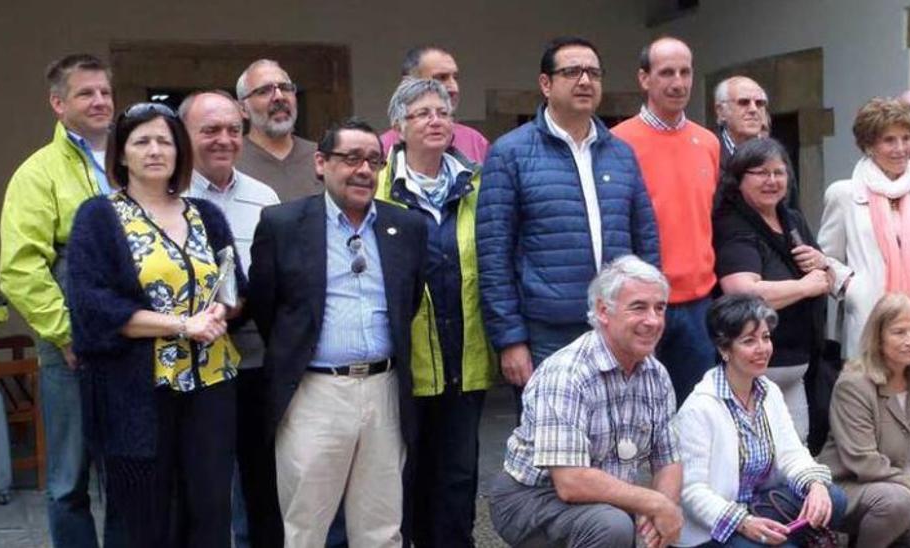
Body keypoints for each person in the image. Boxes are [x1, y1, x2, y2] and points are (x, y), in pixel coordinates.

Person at [66, 102, 244, 547]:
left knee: (210, 508)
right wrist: (182, 325)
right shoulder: (99, 217)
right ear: (121, 154)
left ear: (179, 152)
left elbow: (232, 285)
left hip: (211, 387)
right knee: (145, 517)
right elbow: (93, 307)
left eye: (164, 141)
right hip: (139, 393)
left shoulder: (206, 215)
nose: (154, 150)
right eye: (141, 141)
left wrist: (223, 310)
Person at [248, 118, 427, 547]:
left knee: (381, 527)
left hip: (384, 390)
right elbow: (267, 307)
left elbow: (410, 302)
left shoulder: (407, 228)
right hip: (315, 393)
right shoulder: (282, 224)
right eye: (350, 159)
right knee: (306, 525)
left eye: (373, 160)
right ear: (321, 163)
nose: (363, 170)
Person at [477, 36, 660, 392]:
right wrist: (510, 339)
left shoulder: (621, 154)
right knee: (551, 441)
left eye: (593, 72)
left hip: (618, 325)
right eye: (572, 71)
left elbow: (646, 239)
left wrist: (649, 312)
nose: (585, 81)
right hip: (548, 330)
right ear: (546, 84)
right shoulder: (510, 153)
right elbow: (493, 254)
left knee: (619, 439)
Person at [0, 53, 122, 548]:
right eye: (85, 93)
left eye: (105, 92)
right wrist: (68, 333)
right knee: (70, 476)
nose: (99, 101)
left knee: (130, 470)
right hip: (71, 343)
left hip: (130, 335)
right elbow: (21, 267)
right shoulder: (38, 173)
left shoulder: (131, 159)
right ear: (57, 103)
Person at [487, 256, 683, 548]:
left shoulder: (657, 374)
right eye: (639, 307)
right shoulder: (567, 372)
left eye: (660, 308)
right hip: (532, 495)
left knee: (658, 518)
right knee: (611, 527)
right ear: (604, 311)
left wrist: (663, 508)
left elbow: (669, 459)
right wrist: (653, 503)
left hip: (602, 497)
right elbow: (570, 482)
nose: (653, 320)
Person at [375, 77, 494, 548]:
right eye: (422, 112)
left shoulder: (477, 184)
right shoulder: (380, 187)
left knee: (458, 476)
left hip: (465, 359)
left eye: (442, 112)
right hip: (402, 363)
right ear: (398, 126)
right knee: (403, 474)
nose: (435, 120)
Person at [178, 90, 283, 548]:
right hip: (191, 367)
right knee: (202, 488)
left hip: (256, 361)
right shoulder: (168, 198)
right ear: (183, 136)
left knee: (263, 486)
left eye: (233, 130)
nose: (224, 140)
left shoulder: (265, 197)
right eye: (210, 131)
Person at [674, 293, 848, 547]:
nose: (762, 348)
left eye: (765, 337)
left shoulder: (769, 391)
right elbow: (692, 491)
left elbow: (792, 453)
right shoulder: (699, 408)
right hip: (714, 525)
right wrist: (743, 522)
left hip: (760, 507)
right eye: (748, 341)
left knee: (833, 498)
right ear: (724, 349)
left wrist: (815, 485)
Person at [613, 36, 721, 405]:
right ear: (644, 79)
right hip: (640, 303)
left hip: (698, 304)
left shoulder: (707, 142)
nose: (678, 82)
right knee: (634, 415)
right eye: (666, 73)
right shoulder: (617, 143)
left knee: (695, 415)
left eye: (685, 72)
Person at [818, 97, 910, 360]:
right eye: (889, 140)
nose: (901, 148)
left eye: (906, 138)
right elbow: (826, 258)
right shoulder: (843, 194)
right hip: (870, 324)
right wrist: (854, 289)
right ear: (869, 145)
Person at [712, 138, 833, 443]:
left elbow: (825, 276)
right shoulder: (732, 225)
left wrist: (823, 263)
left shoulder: (791, 218)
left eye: (779, 173)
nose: (773, 181)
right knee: (756, 455)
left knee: (796, 453)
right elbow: (742, 291)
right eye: (761, 173)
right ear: (739, 178)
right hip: (756, 370)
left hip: (798, 368)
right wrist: (805, 287)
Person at [817, 293, 910, 547]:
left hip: (908, 493)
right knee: (896, 502)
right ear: (878, 338)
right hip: (851, 488)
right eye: (899, 332)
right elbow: (864, 462)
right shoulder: (854, 384)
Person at [380, 46, 490, 162]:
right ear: (409, 83)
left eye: (455, 78)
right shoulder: (382, 149)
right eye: (441, 78)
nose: (454, 88)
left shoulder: (475, 143)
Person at [235, 59, 319, 201]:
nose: (279, 97)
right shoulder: (231, 160)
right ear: (243, 109)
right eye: (264, 91)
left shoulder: (322, 158)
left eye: (285, 88)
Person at [713, 76, 769, 168]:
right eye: (743, 102)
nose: (753, 109)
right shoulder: (705, 151)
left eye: (759, 103)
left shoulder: (775, 156)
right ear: (721, 111)